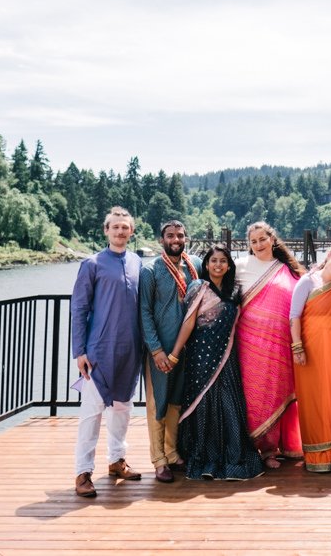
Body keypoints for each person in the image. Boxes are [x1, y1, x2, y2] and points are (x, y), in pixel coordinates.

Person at [166, 245, 263, 480]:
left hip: (227, 354)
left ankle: (233, 457)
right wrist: (174, 353)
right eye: (213, 261)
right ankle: (204, 459)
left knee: (229, 401)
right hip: (200, 355)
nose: (218, 265)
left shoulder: (235, 291)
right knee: (204, 403)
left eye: (222, 261)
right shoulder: (198, 287)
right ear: (206, 266)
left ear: (229, 266)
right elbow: (188, 323)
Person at [71, 206, 143, 498]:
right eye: (115, 227)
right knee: (92, 413)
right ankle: (82, 472)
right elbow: (79, 308)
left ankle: (116, 461)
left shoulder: (138, 262)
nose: (120, 231)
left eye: (125, 227)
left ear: (131, 231)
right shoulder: (92, 263)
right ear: (106, 231)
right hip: (99, 350)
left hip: (130, 350)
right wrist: (79, 351)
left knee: (122, 411)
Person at [234, 221, 304, 468]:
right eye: (253, 241)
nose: (259, 244)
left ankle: (270, 449)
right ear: (249, 245)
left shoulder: (288, 269)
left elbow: (307, 296)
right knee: (252, 395)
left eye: (262, 239)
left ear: (272, 239)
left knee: (274, 392)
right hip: (248, 344)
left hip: (279, 346)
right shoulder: (240, 266)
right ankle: (253, 448)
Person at [138, 220, 201, 483]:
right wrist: (155, 350)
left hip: (188, 348)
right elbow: (144, 312)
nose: (176, 239)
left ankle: (173, 454)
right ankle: (158, 460)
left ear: (186, 237)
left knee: (176, 400)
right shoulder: (150, 270)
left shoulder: (195, 265)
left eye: (180, 235)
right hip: (161, 350)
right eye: (170, 235)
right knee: (158, 403)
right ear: (161, 238)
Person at [290, 242, 331, 472]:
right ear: (329, 256)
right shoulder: (308, 281)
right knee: (313, 400)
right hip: (310, 349)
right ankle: (317, 455)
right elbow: (294, 316)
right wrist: (297, 347)